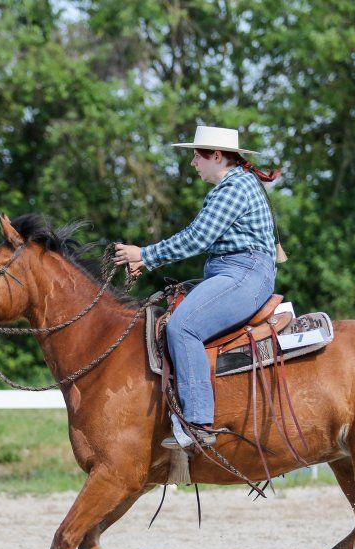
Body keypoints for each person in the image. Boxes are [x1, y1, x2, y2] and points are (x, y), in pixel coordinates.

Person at [113, 125, 284, 450]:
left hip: (243, 272)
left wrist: (145, 255)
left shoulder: (233, 187)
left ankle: (198, 423)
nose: (193, 163)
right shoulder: (239, 184)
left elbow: (197, 238)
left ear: (217, 156)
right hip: (237, 271)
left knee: (183, 327)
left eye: (197, 156)